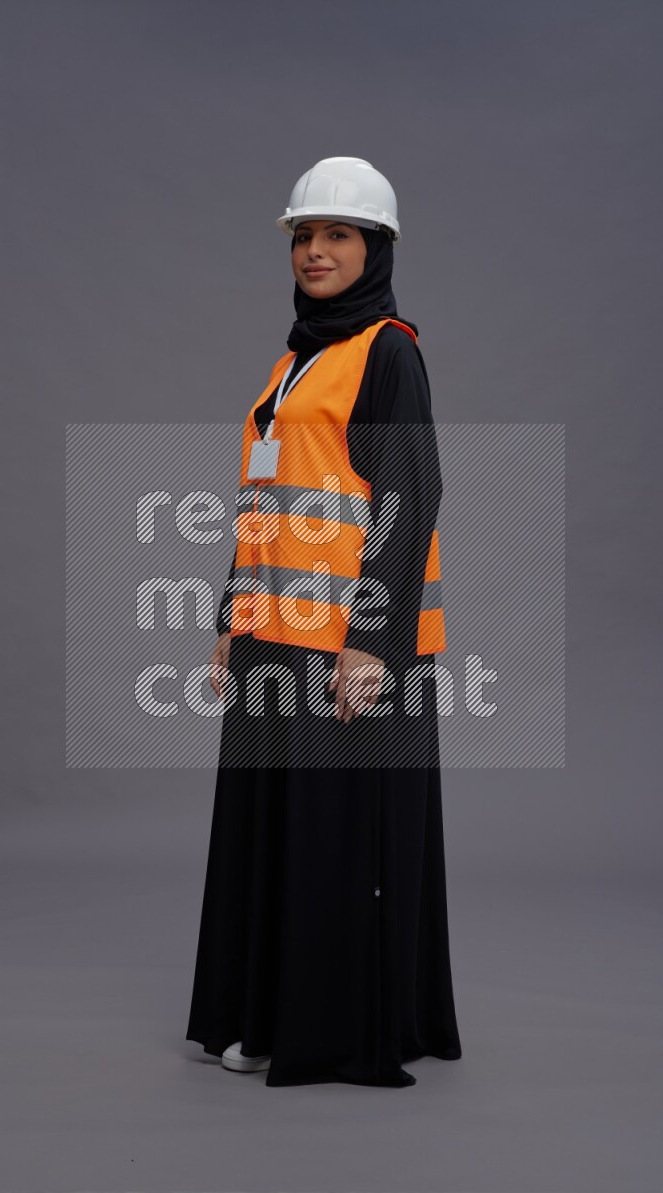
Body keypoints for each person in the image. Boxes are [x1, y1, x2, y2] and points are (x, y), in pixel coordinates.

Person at [185, 157, 462, 1087]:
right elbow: (264, 502)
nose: (315, 250)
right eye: (305, 235)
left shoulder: (388, 352)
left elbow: (409, 498)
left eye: (338, 234)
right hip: (275, 641)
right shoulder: (292, 361)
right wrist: (230, 617)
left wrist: (374, 644)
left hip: (347, 646)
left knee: (337, 839)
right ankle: (265, 1015)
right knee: (276, 830)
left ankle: (331, 1032)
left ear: (375, 249)